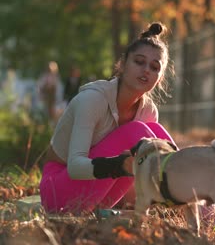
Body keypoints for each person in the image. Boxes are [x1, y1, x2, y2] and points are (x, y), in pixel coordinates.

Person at [40, 22, 178, 214]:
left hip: (100, 199)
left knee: (155, 134)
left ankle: (203, 209)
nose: (146, 70)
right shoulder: (92, 100)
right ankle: (188, 199)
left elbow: (132, 180)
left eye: (154, 67)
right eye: (139, 62)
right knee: (139, 133)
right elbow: (75, 168)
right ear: (122, 64)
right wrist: (120, 165)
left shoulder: (148, 111)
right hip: (57, 194)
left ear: (160, 78)